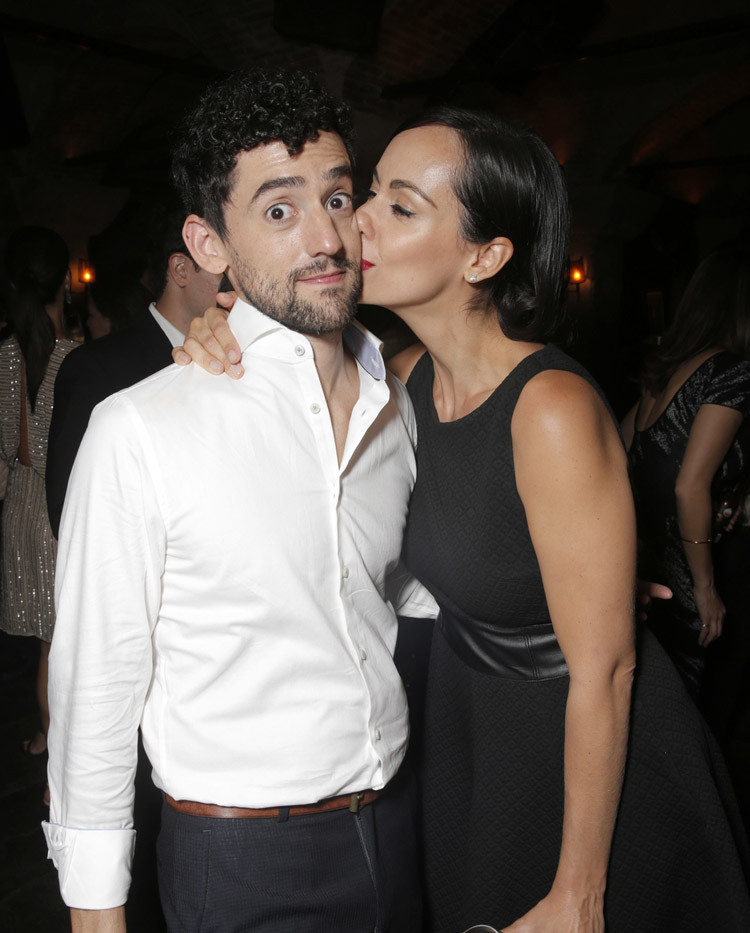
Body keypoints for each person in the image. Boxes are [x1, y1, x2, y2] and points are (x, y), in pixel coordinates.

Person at [181, 108, 750, 931]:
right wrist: (213, 329)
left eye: (400, 207)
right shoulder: (401, 376)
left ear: (484, 256)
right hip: (468, 733)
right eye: (368, 192)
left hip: (577, 756)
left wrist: (579, 895)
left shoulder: (548, 406)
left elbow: (608, 670)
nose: (355, 219)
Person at [43, 68, 435, 933]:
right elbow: (95, 698)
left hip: (401, 827)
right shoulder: (142, 429)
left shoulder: (395, 403)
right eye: (280, 210)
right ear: (209, 242)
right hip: (245, 862)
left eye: (339, 197)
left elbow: (406, 588)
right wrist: (97, 917)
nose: (326, 238)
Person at [45, 207, 224, 539]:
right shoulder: (96, 367)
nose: (237, 283)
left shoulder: (236, 356)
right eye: (223, 268)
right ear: (181, 270)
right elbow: (68, 513)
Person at [622, 247, 750, 704]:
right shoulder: (732, 371)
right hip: (687, 572)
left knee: (662, 701)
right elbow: (689, 484)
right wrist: (706, 588)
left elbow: (627, 454)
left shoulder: (667, 366)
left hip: (649, 563)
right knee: (701, 704)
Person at [0, 226, 78, 785]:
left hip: (20, 502)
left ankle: (47, 735)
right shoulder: (77, 358)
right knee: (65, 640)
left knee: (50, 642)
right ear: (65, 284)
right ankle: (61, 744)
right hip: (59, 505)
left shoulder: (5, 356)